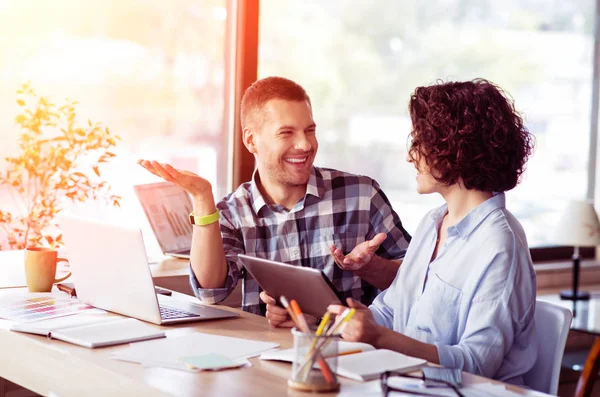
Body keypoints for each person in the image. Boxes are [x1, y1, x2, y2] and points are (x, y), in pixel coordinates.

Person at [138, 76, 411, 324]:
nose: (304, 145)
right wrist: (202, 198)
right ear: (251, 141)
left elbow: (416, 279)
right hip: (266, 359)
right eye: (286, 133)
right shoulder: (233, 212)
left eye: (310, 130)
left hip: (350, 356)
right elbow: (211, 291)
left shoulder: (361, 194)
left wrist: (372, 267)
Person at [328, 79, 536, 385]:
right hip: (408, 386)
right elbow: (393, 313)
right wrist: (357, 320)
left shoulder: (499, 245)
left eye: (419, 143)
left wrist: (380, 337)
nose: (410, 156)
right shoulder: (432, 223)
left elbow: (477, 364)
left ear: (454, 149)